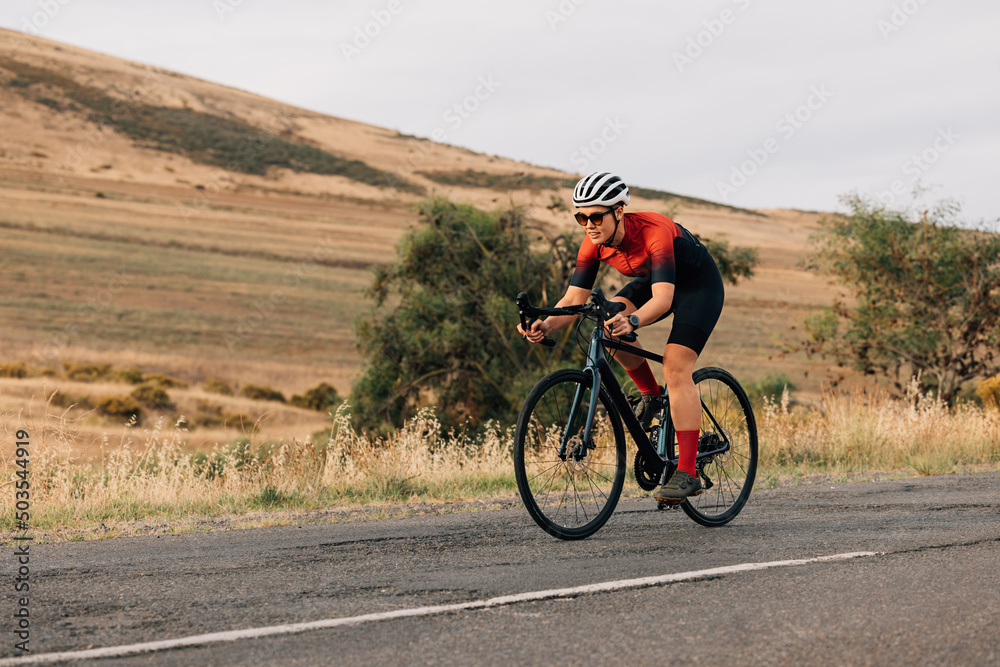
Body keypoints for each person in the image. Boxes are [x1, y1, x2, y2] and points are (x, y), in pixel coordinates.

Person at [517, 171, 725, 502]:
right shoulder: (593, 243)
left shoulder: (654, 232)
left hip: (698, 288)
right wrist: (545, 324)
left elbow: (663, 300)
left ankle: (687, 471)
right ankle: (651, 396)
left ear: (618, 212)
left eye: (596, 216)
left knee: (675, 366)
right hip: (654, 281)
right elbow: (573, 300)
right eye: (581, 217)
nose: (588, 224)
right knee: (604, 323)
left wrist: (633, 321)